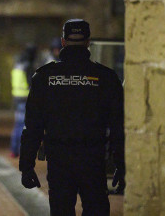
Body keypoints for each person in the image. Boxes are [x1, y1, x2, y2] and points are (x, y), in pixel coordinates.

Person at [19, 19, 125, 216]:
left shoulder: (44, 77)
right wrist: (121, 165)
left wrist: (26, 165)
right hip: (93, 160)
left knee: (61, 211)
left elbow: (32, 126)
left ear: (63, 42)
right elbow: (118, 126)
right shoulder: (106, 77)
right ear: (88, 42)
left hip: (59, 160)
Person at [10, 43, 37, 158]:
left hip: (17, 99)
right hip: (26, 99)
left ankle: (14, 150)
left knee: (18, 126)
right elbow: (32, 84)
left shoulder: (17, 65)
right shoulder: (28, 66)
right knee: (25, 127)